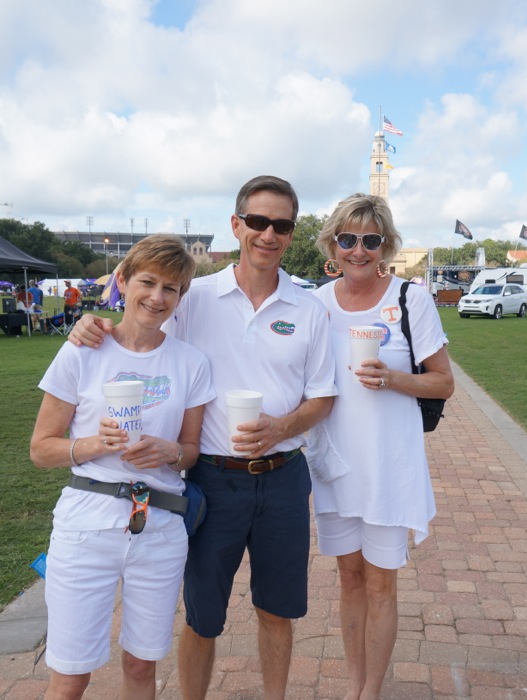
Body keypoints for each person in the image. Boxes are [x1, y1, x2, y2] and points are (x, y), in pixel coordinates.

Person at [68, 175, 337, 700]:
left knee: (277, 610)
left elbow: (323, 397)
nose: (268, 234)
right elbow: (140, 330)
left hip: (283, 478)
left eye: (281, 225)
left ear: (291, 232)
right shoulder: (196, 296)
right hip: (211, 478)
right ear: (236, 225)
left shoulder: (310, 307)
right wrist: (90, 324)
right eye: (257, 221)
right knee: (203, 615)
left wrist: (280, 428)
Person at [31, 235, 215, 700]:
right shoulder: (83, 349)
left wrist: (168, 452)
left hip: (159, 527)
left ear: (181, 297)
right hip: (86, 525)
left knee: (140, 665)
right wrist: (95, 443)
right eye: (147, 282)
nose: (157, 297)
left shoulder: (190, 362)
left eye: (171, 289)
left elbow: (191, 450)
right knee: (71, 675)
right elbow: (41, 449)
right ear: (122, 281)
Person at [306, 193, 454, 700]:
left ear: (386, 245)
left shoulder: (412, 299)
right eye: (347, 239)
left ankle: (372, 691)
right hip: (336, 465)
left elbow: (443, 383)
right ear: (332, 243)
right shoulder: (318, 303)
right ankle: (354, 686)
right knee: (348, 578)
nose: (358, 250)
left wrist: (394, 379)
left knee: (380, 583)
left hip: (390, 467)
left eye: (370, 240)